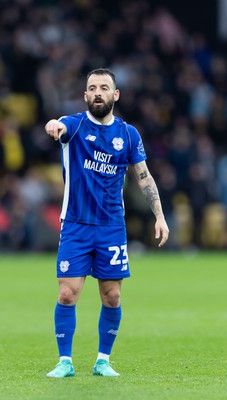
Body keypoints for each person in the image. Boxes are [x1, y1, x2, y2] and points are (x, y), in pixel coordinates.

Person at [44, 68, 169, 378]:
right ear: (85, 95)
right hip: (76, 223)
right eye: (92, 87)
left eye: (103, 87)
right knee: (67, 294)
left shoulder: (128, 134)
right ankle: (65, 361)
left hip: (112, 226)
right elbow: (57, 125)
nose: (97, 92)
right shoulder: (74, 126)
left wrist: (160, 216)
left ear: (115, 95)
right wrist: (53, 126)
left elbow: (144, 176)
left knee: (112, 296)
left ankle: (103, 360)